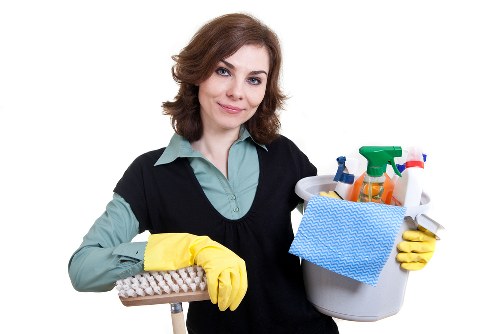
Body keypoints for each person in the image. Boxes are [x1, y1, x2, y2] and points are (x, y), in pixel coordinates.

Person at [68, 13, 435, 334]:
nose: (235, 92)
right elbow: (83, 269)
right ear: (197, 73)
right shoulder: (150, 175)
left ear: (265, 89)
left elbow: (343, 233)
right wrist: (181, 248)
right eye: (223, 70)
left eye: (254, 79)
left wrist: (398, 240)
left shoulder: (283, 155)